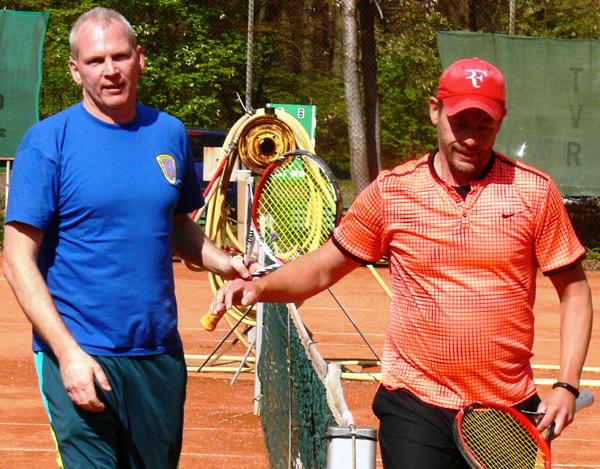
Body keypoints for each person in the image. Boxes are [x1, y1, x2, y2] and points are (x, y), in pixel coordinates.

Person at [212, 57, 594, 468]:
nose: (470, 138)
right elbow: (324, 266)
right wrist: (260, 287)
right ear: (435, 111)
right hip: (416, 403)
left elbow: (575, 292)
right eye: (460, 123)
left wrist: (567, 386)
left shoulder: (534, 192)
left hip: (507, 410)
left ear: (501, 121)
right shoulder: (393, 193)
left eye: (483, 126)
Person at [2, 7, 258, 469]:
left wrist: (225, 262)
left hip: (158, 356)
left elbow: (176, 225)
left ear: (140, 58)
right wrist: (67, 355)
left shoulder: (170, 133)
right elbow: (16, 258)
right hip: (79, 353)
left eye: (120, 56)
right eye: (96, 60)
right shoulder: (47, 142)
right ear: (75, 69)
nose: (110, 70)